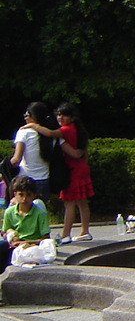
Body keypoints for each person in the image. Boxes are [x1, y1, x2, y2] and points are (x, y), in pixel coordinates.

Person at [26, 103, 94, 244]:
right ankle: (85, 231)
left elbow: (50, 133)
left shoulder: (66, 129)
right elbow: (82, 151)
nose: (60, 118)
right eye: (58, 115)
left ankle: (65, 235)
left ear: (72, 118)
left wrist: (34, 126)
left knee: (69, 202)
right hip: (82, 167)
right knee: (82, 201)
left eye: (64, 115)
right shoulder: (78, 129)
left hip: (72, 170)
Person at [3, 175, 55, 268]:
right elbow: (4, 232)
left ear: (34, 195)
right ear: (15, 194)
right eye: (21, 194)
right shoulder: (9, 212)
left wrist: (24, 243)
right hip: (14, 246)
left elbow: (45, 239)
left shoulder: (40, 213)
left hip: (33, 246)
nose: (24, 199)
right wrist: (9, 234)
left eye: (28, 195)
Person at [11, 103, 54, 205]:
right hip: (44, 180)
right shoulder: (51, 133)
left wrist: (6, 165)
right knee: (39, 213)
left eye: (27, 115)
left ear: (34, 116)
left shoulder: (24, 132)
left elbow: (16, 159)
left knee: (22, 213)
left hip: (25, 181)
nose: (25, 118)